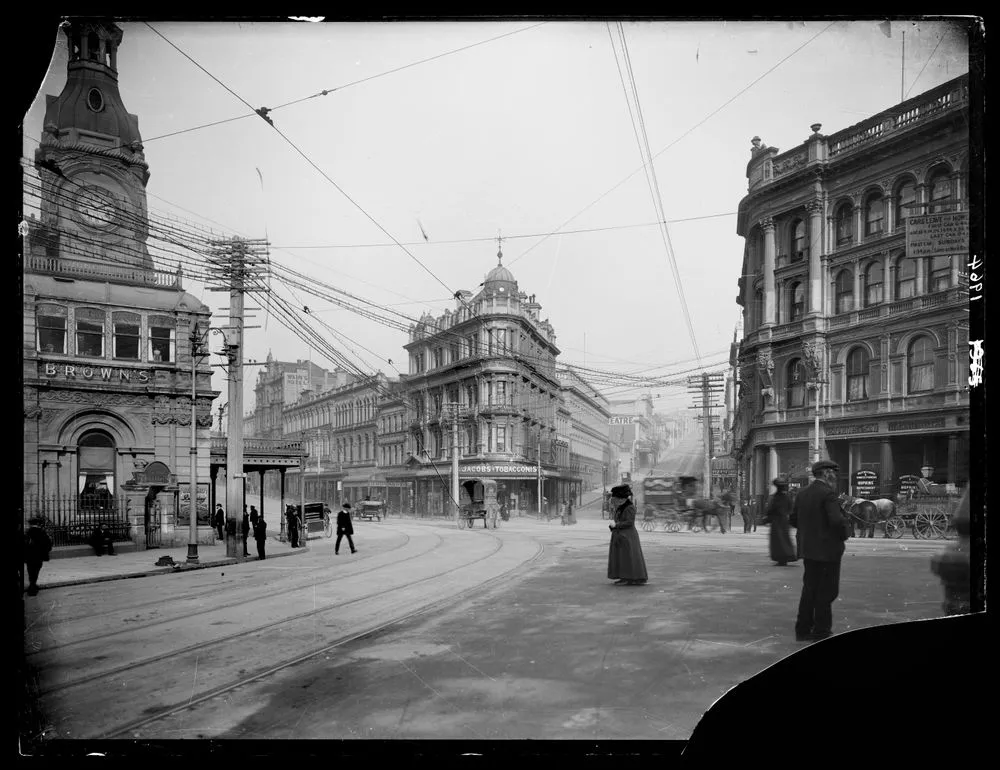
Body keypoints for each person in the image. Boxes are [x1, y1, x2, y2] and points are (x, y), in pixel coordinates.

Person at [793, 460, 852, 642]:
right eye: (834, 472)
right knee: (827, 592)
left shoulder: (802, 493)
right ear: (826, 473)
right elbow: (837, 521)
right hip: (828, 551)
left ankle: (802, 630)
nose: (835, 476)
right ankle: (821, 631)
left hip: (808, 550)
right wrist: (844, 534)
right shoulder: (828, 494)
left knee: (809, 590)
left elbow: (793, 519)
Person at [607, 483, 648, 586]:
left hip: (627, 536)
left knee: (626, 557)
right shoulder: (621, 507)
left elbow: (629, 522)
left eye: (616, 499)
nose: (615, 501)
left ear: (621, 498)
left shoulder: (629, 508)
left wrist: (616, 525)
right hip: (621, 535)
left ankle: (627, 577)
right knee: (622, 557)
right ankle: (624, 577)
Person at [765, 476, 797, 566]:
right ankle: (784, 557)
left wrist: (768, 517)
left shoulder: (776, 497)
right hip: (783, 521)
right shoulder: (786, 497)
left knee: (779, 539)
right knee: (783, 539)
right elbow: (791, 508)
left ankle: (782, 558)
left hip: (778, 521)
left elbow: (771, 509)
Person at [23, 517, 52, 596]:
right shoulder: (42, 532)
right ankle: (33, 586)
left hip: (29, 556)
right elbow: (48, 544)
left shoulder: (27, 532)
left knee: (30, 571)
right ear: (38, 524)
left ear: (30, 524)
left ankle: (32, 585)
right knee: (36, 571)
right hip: (39, 556)